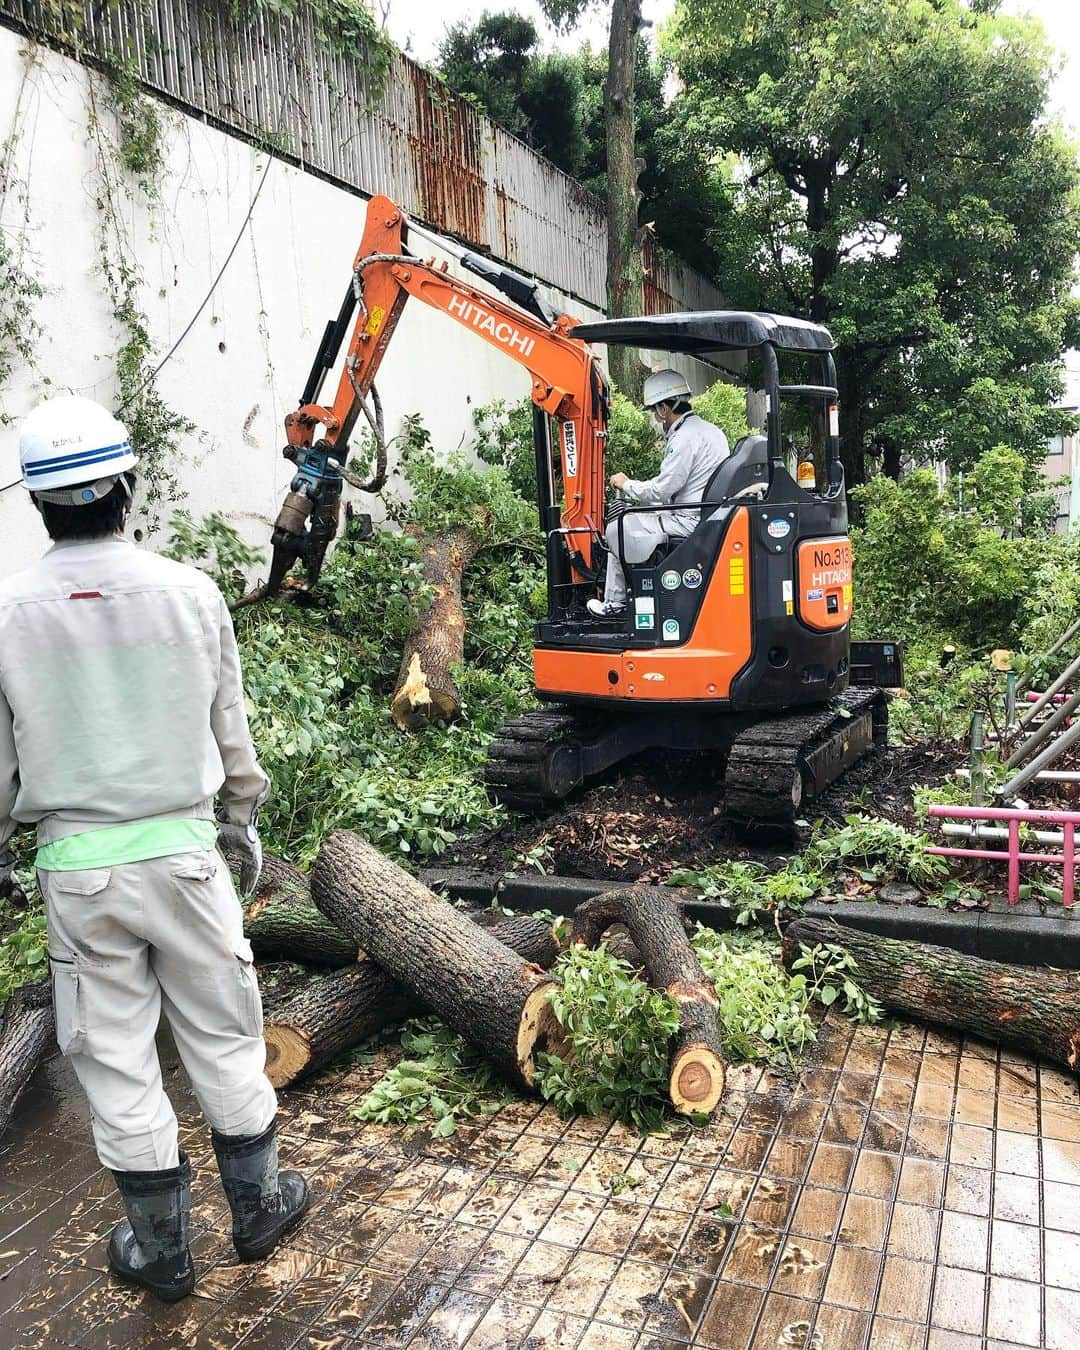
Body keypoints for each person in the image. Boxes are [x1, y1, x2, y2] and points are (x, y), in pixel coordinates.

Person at [0, 396, 307, 1303]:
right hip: (186, 856)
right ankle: (258, 1211)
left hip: (77, 871)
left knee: (115, 1051)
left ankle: (159, 1249)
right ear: (129, 485)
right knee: (223, 1029)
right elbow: (233, 735)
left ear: (39, 504)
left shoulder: (8, 612)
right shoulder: (192, 592)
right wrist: (241, 818)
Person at [587, 369, 729, 618]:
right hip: (705, 515)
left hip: (686, 520)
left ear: (665, 407)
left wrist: (626, 484)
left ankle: (615, 602)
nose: (655, 416)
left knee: (618, 528)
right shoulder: (712, 432)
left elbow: (662, 490)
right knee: (632, 521)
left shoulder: (684, 438)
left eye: (655, 410)